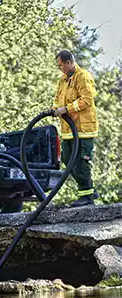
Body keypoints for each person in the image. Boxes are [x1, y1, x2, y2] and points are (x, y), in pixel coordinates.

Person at [51, 49, 99, 207]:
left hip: (83, 129)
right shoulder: (63, 80)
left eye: (61, 65)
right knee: (67, 159)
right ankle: (90, 189)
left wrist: (66, 109)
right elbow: (58, 99)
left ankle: (86, 196)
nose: (60, 69)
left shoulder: (83, 76)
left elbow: (86, 100)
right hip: (68, 131)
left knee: (80, 162)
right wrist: (54, 109)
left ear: (68, 62)